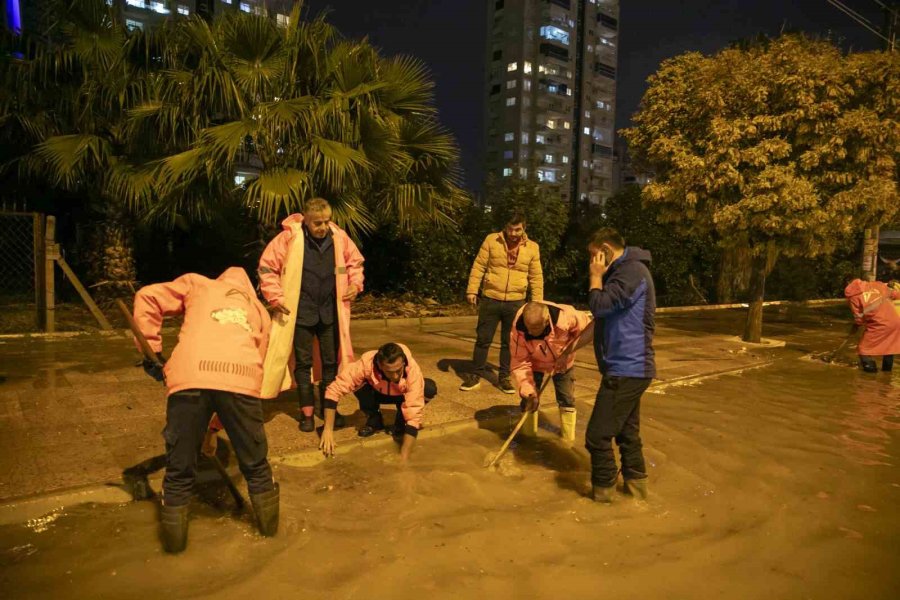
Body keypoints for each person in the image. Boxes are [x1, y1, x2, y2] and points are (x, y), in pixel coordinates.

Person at [133, 267, 278, 553]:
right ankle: (271, 538)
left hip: (189, 375)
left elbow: (147, 296)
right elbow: (256, 369)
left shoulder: (198, 284)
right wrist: (214, 428)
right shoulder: (260, 311)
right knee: (256, 466)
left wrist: (151, 350)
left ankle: (174, 551)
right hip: (241, 379)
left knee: (178, 470)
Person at [258, 198, 365, 433]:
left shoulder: (339, 237)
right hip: (300, 313)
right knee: (303, 364)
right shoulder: (288, 238)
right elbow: (267, 268)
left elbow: (355, 263)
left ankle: (329, 409)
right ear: (306, 219)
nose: (323, 227)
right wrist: (275, 297)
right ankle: (306, 413)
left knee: (330, 363)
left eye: (327, 221)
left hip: (330, 312)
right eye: (318, 223)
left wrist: (355, 284)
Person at [585, 228, 656, 503]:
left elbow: (600, 306)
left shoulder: (631, 272)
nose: (592, 261)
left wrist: (595, 277)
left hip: (627, 368)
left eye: (594, 255)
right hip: (629, 368)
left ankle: (603, 501)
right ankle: (637, 496)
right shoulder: (626, 272)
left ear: (605, 249)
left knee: (597, 437)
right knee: (627, 434)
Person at [462, 212, 543, 393]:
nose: (513, 233)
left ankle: (504, 377)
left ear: (524, 228)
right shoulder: (492, 240)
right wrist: (472, 290)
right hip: (491, 298)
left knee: (510, 343)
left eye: (517, 230)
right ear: (505, 227)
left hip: (516, 301)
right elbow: (479, 266)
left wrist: (537, 303)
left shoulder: (532, 247)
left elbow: (536, 276)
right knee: (483, 339)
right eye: (510, 229)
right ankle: (476, 374)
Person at [320, 342, 437, 461]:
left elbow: (413, 415)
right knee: (357, 383)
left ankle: (400, 424)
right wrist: (328, 430)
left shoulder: (412, 371)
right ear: (380, 365)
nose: (395, 376)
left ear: (403, 362)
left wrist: (403, 458)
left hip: (402, 396)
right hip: (377, 393)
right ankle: (374, 420)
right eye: (389, 372)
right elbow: (334, 390)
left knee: (428, 388)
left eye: (398, 370)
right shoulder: (366, 364)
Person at [510, 301, 592, 441]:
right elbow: (519, 363)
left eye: (535, 328)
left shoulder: (567, 317)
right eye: (528, 327)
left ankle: (568, 440)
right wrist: (530, 393)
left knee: (566, 398)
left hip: (563, 362)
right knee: (529, 400)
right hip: (534, 363)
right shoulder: (519, 329)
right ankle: (529, 438)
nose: (530, 332)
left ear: (547, 321)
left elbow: (589, 329)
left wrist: (567, 352)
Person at [844, 278, 900, 373]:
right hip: (895, 321)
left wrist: (857, 324)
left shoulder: (853, 296)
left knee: (863, 350)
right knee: (889, 347)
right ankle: (887, 375)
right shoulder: (877, 285)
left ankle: (871, 375)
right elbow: (896, 295)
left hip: (879, 324)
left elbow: (859, 319)